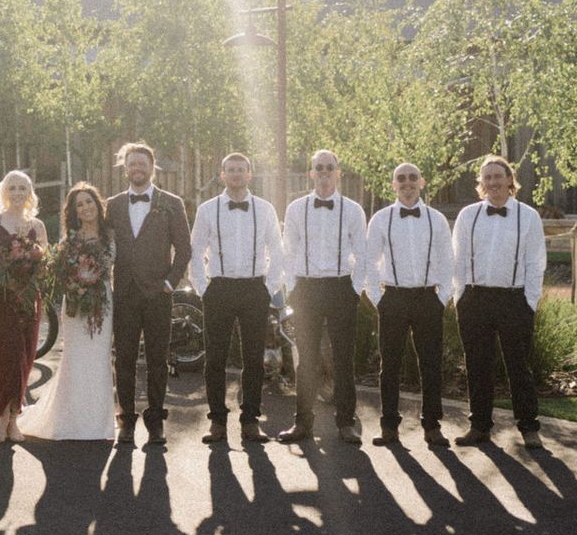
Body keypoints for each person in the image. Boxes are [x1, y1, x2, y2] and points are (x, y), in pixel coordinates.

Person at [452, 154, 549, 449]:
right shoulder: (468, 215)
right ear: (481, 184)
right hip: (475, 299)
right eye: (487, 178)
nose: (493, 182)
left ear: (510, 180)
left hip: (513, 300)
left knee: (518, 367)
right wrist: (460, 297)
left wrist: (529, 300)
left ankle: (529, 427)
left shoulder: (528, 216)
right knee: (478, 367)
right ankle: (479, 426)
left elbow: (536, 262)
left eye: (498, 176)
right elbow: (458, 260)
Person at [189, 153, 285, 446]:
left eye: (241, 170)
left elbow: (278, 251)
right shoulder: (207, 209)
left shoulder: (265, 209)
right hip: (218, 289)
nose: (235, 175)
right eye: (230, 170)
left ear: (249, 174)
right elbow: (195, 251)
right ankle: (217, 421)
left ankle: (250, 420)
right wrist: (203, 288)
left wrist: (269, 288)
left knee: (253, 359)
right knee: (215, 359)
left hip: (254, 289)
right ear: (222, 175)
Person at [279, 149, 369, 445]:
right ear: (311, 173)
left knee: (343, 359)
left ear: (338, 172)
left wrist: (355, 289)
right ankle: (302, 423)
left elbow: (363, 255)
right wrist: (292, 287)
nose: (324, 172)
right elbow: (287, 251)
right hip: (306, 290)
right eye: (319, 167)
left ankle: (346, 423)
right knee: (306, 360)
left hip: (341, 288)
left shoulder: (353, 210)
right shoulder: (295, 208)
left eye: (329, 167)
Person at [364, 163, 456, 449]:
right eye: (401, 178)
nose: (407, 182)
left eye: (412, 177)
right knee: (389, 366)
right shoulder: (380, 219)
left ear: (422, 182)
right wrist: (380, 300)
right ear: (393, 185)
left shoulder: (437, 219)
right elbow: (369, 263)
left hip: (428, 298)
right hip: (393, 298)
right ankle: (389, 427)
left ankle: (432, 427)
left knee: (430, 364)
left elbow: (447, 262)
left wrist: (441, 298)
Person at [106, 142, 192, 448]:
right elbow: (102, 245)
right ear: (125, 168)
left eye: (142, 163)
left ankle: (156, 423)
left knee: (158, 359)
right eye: (131, 164)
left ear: (152, 166)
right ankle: (125, 422)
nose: (137, 168)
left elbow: (184, 250)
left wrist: (170, 283)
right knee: (124, 359)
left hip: (158, 295)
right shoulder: (113, 205)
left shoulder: (171, 203)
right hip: (125, 295)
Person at [21, 182, 117, 442]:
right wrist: (76, 283)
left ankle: (98, 424)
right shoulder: (70, 239)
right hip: (75, 304)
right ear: (74, 211)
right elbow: (59, 274)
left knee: (98, 358)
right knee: (75, 358)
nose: (86, 208)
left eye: (89, 202)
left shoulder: (111, 233)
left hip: (102, 303)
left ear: (98, 204)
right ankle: (71, 420)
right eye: (80, 204)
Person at [0, 169, 48, 444]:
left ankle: (15, 416)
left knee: (26, 356)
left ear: (30, 193)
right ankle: (1, 417)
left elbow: (44, 264)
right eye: (13, 188)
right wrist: (2, 266)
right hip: (1, 297)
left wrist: (32, 262)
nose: (18, 193)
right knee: (9, 353)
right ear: (4, 192)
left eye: (23, 188)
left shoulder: (38, 225)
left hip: (29, 298)